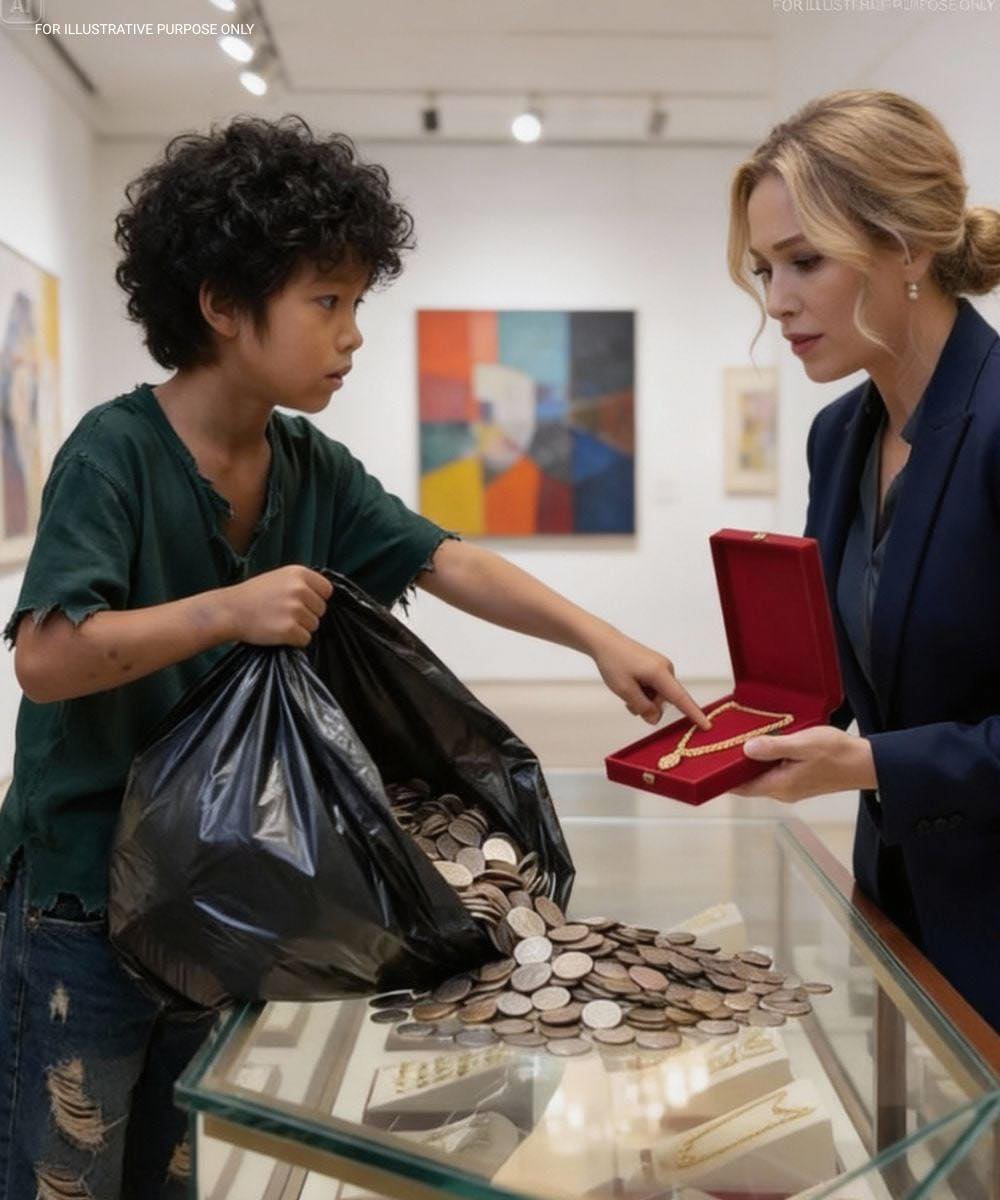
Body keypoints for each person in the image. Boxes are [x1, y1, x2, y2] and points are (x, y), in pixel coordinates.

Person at [0, 115, 708, 1198]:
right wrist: (228, 609)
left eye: (356, 304)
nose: (353, 336)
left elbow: (446, 558)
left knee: (173, 1173)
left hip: (210, 889)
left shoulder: (307, 462)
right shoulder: (114, 453)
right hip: (80, 898)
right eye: (326, 303)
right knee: (64, 1173)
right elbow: (47, 660)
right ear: (223, 305)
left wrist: (600, 641)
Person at [725, 89, 1000, 1030]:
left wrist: (872, 763)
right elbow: (848, 676)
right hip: (894, 902)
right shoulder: (839, 434)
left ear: (909, 247)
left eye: (805, 261)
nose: (777, 300)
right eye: (765, 268)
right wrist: (733, 728)